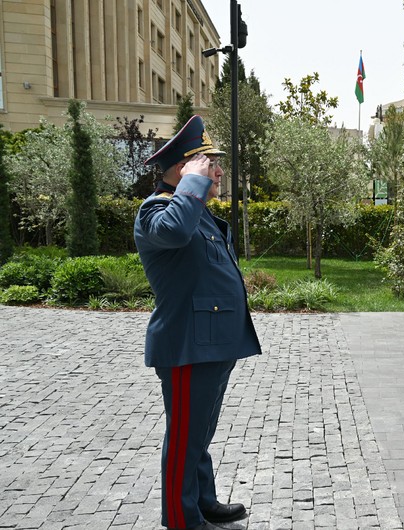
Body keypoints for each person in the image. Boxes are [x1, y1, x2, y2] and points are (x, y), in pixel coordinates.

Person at [134, 115, 262, 530]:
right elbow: (171, 233)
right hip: (187, 345)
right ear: (182, 170)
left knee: (199, 434)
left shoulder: (197, 212)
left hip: (211, 344)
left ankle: (202, 501)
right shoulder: (157, 210)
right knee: (186, 438)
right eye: (210, 164)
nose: (219, 171)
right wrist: (191, 183)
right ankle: (180, 519)